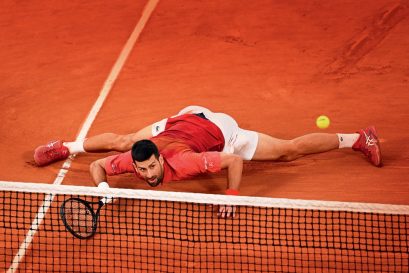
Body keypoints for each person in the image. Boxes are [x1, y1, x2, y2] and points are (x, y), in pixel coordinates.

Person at [33, 106, 382, 217]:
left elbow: (232, 161)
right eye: (145, 170)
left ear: (157, 160)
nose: (149, 174)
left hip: (220, 130)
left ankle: (358, 139)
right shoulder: (134, 159)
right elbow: (99, 166)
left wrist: (229, 195)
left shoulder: (186, 164)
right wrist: (104, 187)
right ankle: (63, 146)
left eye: (152, 167)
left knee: (287, 151)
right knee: (125, 139)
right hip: (182, 119)